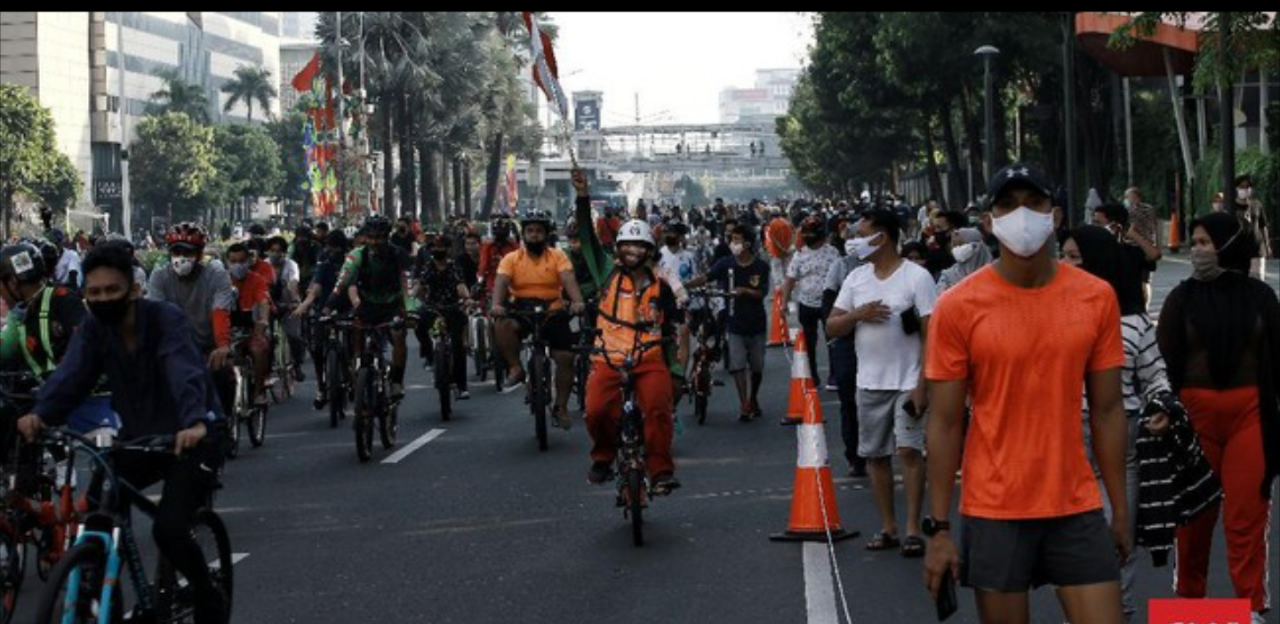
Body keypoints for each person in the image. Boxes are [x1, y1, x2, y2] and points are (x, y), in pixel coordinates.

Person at [923, 163, 1129, 624]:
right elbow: (944, 421)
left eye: (1034, 203)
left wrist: (1119, 506)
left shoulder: (1096, 298)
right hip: (994, 506)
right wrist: (937, 528)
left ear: (1054, 216)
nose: (1022, 214)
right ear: (988, 221)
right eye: (1007, 204)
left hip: (1075, 504)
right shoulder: (958, 307)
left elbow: (1109, 409)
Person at [17, 243, 228, 624]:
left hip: (193, 435)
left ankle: (206, 593)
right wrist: (40, 415)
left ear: (134, 290)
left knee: (169, 528)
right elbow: (72, 375)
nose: (102, 300)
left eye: (111, 291)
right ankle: (100, 601)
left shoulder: (166, 320)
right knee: (97, 512)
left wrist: (194, 421)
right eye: (94, 293)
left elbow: (184, 371)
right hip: (138, 440)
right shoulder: (95, 330)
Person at [1156, 211, 1279, 622]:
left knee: (1246, 517)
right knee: (1193, 522)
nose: (1196, 250)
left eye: (1205, 242)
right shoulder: (1180, 298)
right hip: (1194, 420)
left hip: (1251, 415)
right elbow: (1165, 365)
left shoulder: (1262, 297)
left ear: (1227, 246)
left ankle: (1251, 609)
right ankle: (1190, 608)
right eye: (1194, 242)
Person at [1062, 224, 1173, 622]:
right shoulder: (1048, 314)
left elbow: (1157, 376)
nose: (1066, 264)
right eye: (1064, 255)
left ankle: (1118, 613)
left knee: (1116, 535)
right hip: (1062, 441)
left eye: (1075, 257)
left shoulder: (1134, 323)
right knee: (1069, 541)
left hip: (1120, 441)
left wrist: (1161, 406)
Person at [826, 209, 936, 558]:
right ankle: (888, 526)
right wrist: (858, 315)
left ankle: (913, 529)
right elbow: (832, 326)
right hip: (869, 382)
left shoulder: (916, 278)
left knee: (908, 451)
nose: (854, 239)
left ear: (883, 237)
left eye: (861, 233)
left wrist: (923, 383)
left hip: (908, 379)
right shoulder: (857, 278)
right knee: (874, 456)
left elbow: (930, 333)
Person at [584, 217, 681, 494]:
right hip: (608, 359)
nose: (633, 251)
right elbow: (589, 240)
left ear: (650, 251)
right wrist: (582, 197)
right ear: (618, 249)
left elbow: (671, 332)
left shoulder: (661, 288)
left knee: (658, 410)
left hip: (649, 360)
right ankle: (603, 457)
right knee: (596, 411)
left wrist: (675, 368)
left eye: (640, 246)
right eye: (627, 245)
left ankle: (660, 471)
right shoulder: (606, 275)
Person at [490, 209, 586, 429]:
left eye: (539, 231)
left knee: (565, 357)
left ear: (547, 234)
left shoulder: (558, 256)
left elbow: (568, 279)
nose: (534, 235)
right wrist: (496, 305)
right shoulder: (511, 258)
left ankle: (561, 407)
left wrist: (577, 302)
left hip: (553, 310)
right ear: (523, 234)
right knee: (502, 324)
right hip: (521, 309)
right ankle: (515, 367)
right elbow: (501, 282)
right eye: (530, 231)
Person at [147, 223, 239, 421]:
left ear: (199, 253)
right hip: (175, 346)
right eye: (176, 251)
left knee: (223, 373)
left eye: (188, 252)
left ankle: (225, 422)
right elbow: (156, 317)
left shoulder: (216, 275)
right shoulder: (159, 277)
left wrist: (222, 346)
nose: (181, 257)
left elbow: (220, 312)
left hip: (209, 345)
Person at [686, 225, 770, 422]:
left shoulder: (761, 267)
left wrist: (745, 291)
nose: (734, 243)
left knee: (757, 367)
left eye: (738, 239)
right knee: (738, 365)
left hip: (756, 324)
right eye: (732, 239)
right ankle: (744, 403)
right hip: (734, 323)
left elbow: (762, 293)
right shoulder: (725, 264)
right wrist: (684, 286)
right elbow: (706, 278)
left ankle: (753, 397)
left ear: (748, 243)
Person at [329, 216, 412, 398]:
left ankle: (397, 381)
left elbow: (407, 284)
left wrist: (411, 308)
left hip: (392, 304)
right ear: (366, 237)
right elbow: (341, 282)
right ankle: (358, 367)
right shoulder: (357, 255)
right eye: (372, 237)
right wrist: (329, 306)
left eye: (380, 237)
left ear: (387, 237)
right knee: (357, 329)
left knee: (399, 337)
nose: (376, 242)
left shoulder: (398, 254)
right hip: (367, 304)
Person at [823, 223, 867, 477]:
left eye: (861, 236)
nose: (855, 241)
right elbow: (829, 310)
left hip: (883, 349)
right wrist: (840, 326)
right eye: (851, 236)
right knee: (850, 401)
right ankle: (855, 455)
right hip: (848, 343)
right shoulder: (841, 266)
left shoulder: (895, 271)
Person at [781, 214, 840, 391]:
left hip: (828, 304)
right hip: (806, 303)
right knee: (809, 341)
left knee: (832, 340)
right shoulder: (800, 255)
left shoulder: (833, 253)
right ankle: (812, 375)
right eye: (804, 233)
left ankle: (834, 376)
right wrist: (784, 302)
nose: (807, 236)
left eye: (810, 233)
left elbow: (841, 279)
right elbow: (790, 279)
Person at [294, 230, 352, 409]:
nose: (333, 251)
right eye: (330, 247)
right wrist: (304, 305)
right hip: (324, 310)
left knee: (352, 346)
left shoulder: (352, 264)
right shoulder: (324, 264)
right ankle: (321, 386)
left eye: (336, 248)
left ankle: (353, 377)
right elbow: (316, 288)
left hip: (348, 310)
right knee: (317, 348)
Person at [414, 235, 474, 401]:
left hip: (452, 308)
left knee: (458, 346)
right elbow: (420, 286)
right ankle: (428, 356)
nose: (438, 251)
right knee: (418, 323)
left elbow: (461, 286)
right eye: (435, 247)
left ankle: (461, 386)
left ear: (448, 250)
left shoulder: (454, 267)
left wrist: (467, 299)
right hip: (432, 308)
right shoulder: (428, 267)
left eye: (442, 248)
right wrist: (417, 294)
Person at [224, 243, 272, 405]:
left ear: (248, 261)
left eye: (241, 261)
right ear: (227, 262)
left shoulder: (257, 280)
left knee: (259, 349)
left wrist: (263, 320)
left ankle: (259, 391)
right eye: (233, 261)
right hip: (225, 331)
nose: (237, 265)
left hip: (251, 329)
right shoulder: (221, 281)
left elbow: (263, 301)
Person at [266, 236, 305, 381]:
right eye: (273, 251)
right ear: (268, 251)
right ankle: (266, 369)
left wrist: (295, 299)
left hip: (288, 303)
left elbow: (293, 282)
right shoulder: (263, 265)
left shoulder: (291, 265)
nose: (276, 254)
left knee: (293, 335)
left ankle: (297, 365)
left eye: (280, 251)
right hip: (268, 305)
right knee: (266, 339)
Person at [1232, 174, 1271, 281]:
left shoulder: (1257, 204)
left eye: (1248, 187)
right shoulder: (1231, 206)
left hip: (1256, 247)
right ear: (1236, 189)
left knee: (1258, 281)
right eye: (1242, 187)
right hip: (1238, 249)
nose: (1245, 189)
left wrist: (1267, 245)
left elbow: (1263, 226)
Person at [935, 228, 993, 295]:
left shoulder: (995, 274)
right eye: (955, 246)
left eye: (962, 245)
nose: (958, 250)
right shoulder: (948, 277)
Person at [479, 215, 520, 306]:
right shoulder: (488, 247)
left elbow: (520, 263)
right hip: (492, 280)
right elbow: (483, 265)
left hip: (511, 281)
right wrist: (480, 279)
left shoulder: (513, 246)